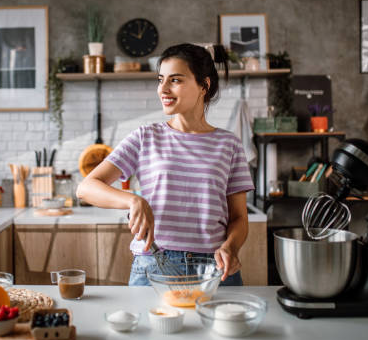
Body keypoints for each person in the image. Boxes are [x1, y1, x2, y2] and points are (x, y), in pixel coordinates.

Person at [76, 43, 254, 286]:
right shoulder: (145, 136)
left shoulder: (229, 144)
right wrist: (133, 200)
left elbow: (239, 218)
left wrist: (230, 247)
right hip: (154, 267)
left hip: (215, 269)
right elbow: (86, 187)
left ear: (204, 85)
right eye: (161, 80)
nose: (163, 89)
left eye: (175, 80)